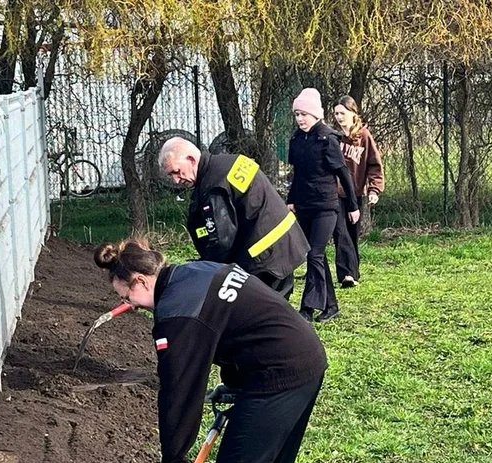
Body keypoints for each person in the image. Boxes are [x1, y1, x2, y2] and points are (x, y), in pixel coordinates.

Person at [93, 238, 327, 463]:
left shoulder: (177, 313)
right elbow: (237, 322)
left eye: (128, 297)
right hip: (301, 355)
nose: (129, 306)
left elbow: (179, 393)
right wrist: (235, 383)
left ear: (140, 280)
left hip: (278, 373)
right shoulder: (192, 271)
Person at [159, 137, 309, 300]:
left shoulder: (214, 185)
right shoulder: (229, 162)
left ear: (191, 159)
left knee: (266, 316)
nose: (176, 180)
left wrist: (206, 270)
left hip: (265, 260)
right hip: (284, 244)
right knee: (279, 311)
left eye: (176, 171)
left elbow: (222, 240)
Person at [287, 88, 359, 323]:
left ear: (315, 115)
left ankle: (307, 308)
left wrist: (352, 205)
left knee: (314, 253)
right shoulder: (296, 140)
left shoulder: (327, 139)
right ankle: (331, 306)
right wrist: (291, 199)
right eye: (297, 114)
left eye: (304, 114)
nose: (300, 119)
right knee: (315, 256)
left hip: (326, 206)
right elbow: (297, 174)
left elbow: (344, 174)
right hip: (304, 205)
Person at [332, 95, 385, 288]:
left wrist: (374, 189)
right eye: (336, 113)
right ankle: (346, 274)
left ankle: (353, 273)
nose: (339, 117)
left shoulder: (364, 137)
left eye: (342, 113)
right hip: (335, 193)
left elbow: (374, 164)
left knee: (352, 233)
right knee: (340, 232)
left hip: (356, 193)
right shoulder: (334, 138)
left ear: (353, 114)